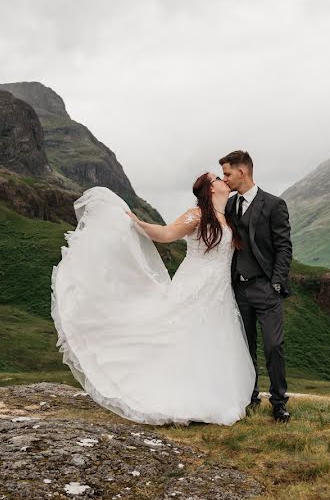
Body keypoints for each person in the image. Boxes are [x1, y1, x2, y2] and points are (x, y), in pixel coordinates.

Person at [50, 173, 257, 426]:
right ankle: (176, 396)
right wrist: (139, 224)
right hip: (194, 284)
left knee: (211, 338)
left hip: (219, 289)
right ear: (210, 189)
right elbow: (167, 233)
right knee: (181, 335)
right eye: (217, 178)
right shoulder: (198, 215)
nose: (223, 179)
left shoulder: (228, 217)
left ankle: (211, 396)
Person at [220, 150, 293, 423]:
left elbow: (284, 247)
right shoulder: (228, 205)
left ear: (243, 171)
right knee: (245, 347)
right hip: (237, 290)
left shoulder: (274, 205)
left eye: (228, 173)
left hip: (265, 288)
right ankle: (250, 397)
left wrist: (276, 283)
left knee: (274, 346)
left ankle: (279, 403)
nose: (225, 179)